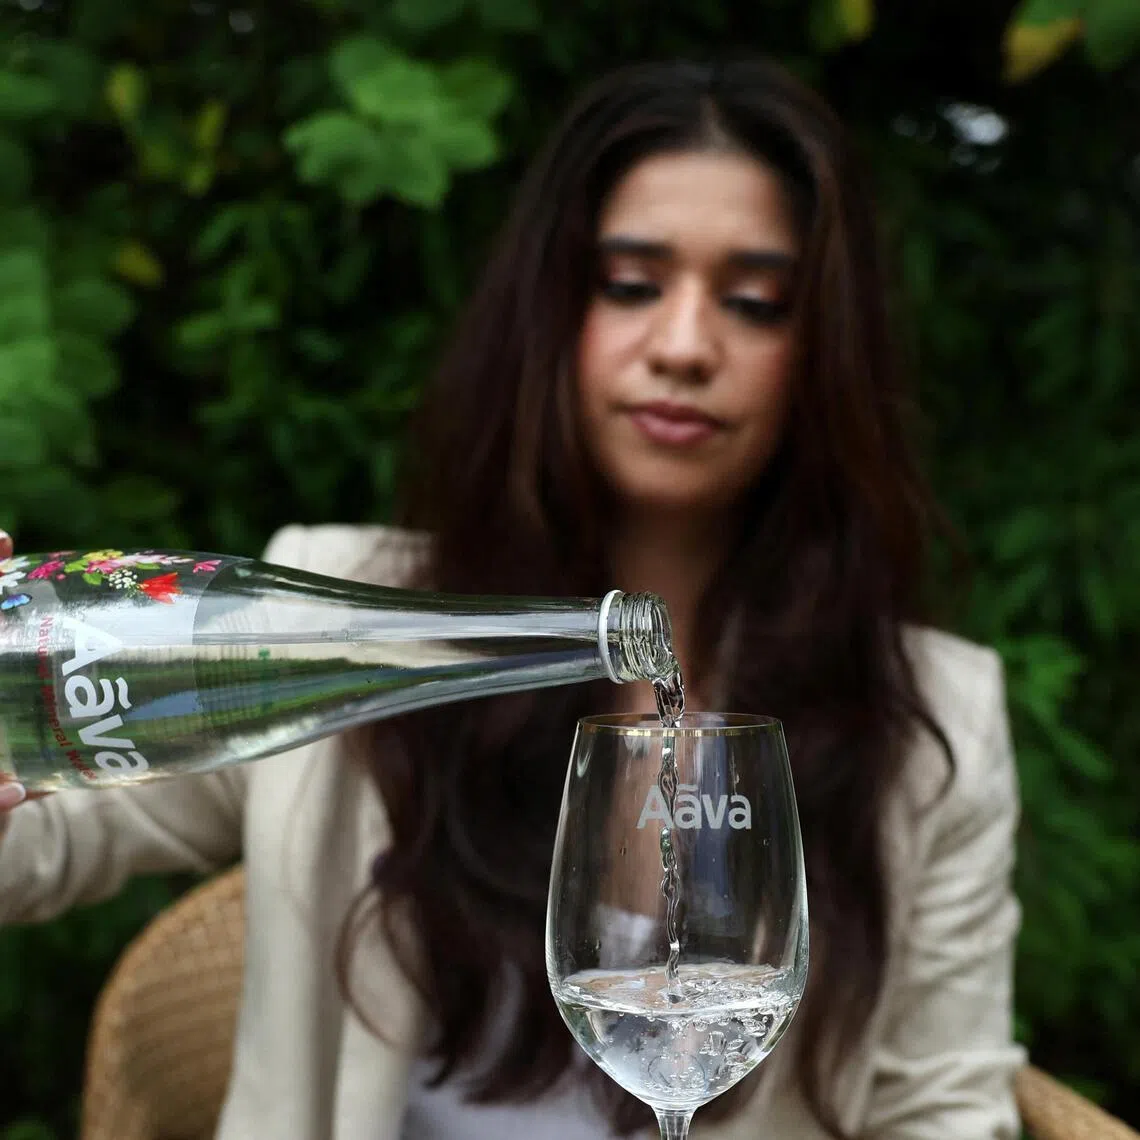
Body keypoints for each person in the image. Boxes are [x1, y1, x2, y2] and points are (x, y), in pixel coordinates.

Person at [0, 55, 1024, 1139]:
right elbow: (46, 844)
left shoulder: (931, 725)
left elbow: (944, 1110)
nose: (683, 346)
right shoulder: (340, 615)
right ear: (551, 312)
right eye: (631, 284)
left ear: (821, 354)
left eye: (755, 302)